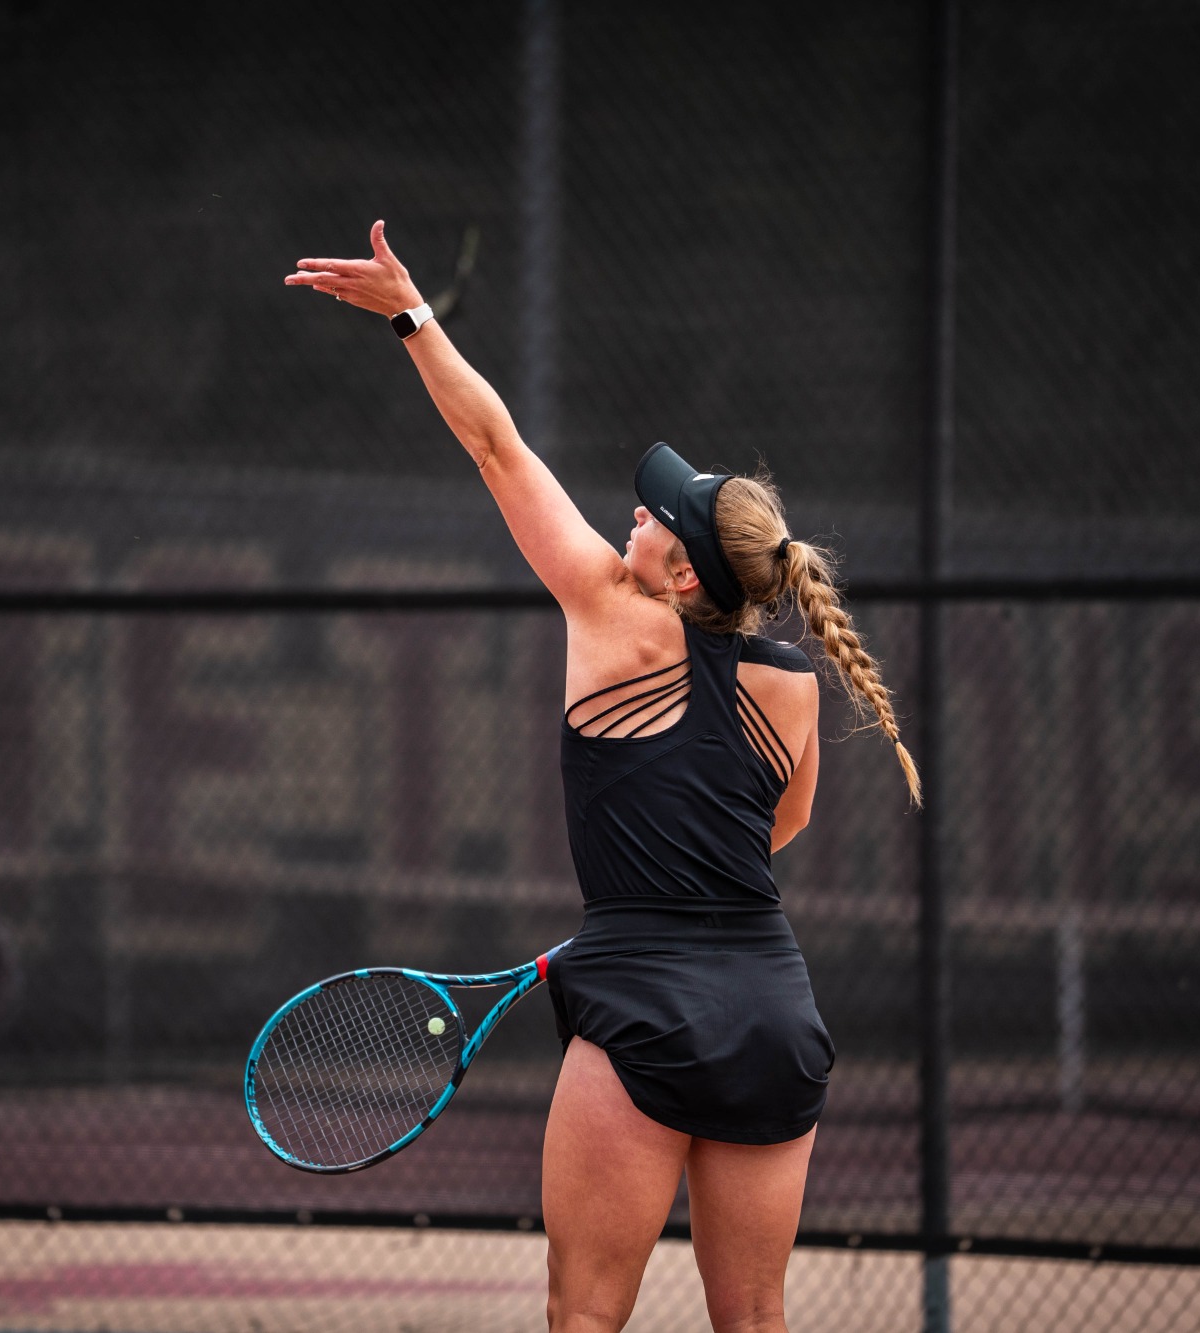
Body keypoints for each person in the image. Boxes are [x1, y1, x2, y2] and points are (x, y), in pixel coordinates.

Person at [286, 222, 919, 1333]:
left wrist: (411, 315)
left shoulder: (604, 607)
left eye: (655, 515)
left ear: (682, 574)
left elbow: (496, 447)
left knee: (583, 1317)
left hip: (636, 996)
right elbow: (790, 814)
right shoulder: (791, 684)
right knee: (758, 1320)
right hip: (772, 1004)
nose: (634, 507)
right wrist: (673, 892)